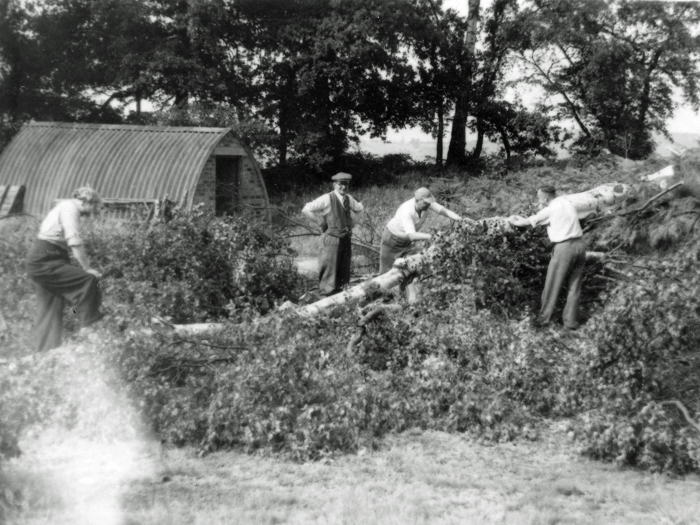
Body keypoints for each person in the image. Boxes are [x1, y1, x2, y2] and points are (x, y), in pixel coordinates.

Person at [25, 186, 105, 351]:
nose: (92, 213)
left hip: (44, 257)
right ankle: (87, 329)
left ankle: (45, 353)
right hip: (44, 258)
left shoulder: (64, 206)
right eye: (93, 207)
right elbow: (74, 240)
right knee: (88, 281)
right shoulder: (70, 209)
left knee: (50, 308)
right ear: (87, 201)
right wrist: (86, 268)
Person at [507, 185, 586, 330]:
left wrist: (511, 220)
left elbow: (525, 223)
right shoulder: (567, 202)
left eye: (539, 198)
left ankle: (543, 320)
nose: (539, 201)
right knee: (575, 286)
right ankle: (571, 322)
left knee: (552, 284)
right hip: (580, 246)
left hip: (564, 248)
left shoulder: (550, 209)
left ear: (545, 197)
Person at [302, 172, 364, 296]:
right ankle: (325, 298)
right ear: (334, 185)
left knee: (343, 270)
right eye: (340, 184)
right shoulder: (327, 198)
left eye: (346, 184)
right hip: (331, 239)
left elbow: (360, 209)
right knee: (329, 271)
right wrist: (320, 222)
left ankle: (339, 298)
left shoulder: (348, 198)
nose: (344, 187)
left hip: (345, 239)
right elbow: (306, 209)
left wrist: (352, 223)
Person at [379, 187, 462, 275]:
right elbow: (412, 236)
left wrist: (459, 219)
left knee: (409, 270)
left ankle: (403, 287)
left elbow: (443, 210)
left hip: (406, 241)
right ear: (417, 200)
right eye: (426, 203)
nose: (429, 205)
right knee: (386, 273)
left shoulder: (427, 203)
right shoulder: (406, 210)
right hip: (392, 240)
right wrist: (430, 236)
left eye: (429, 203)